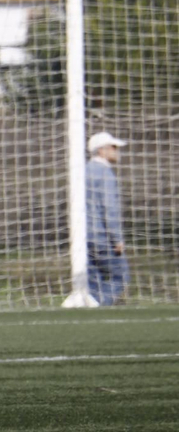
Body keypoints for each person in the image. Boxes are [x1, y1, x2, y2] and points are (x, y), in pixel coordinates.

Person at [86, 130, 129, 306]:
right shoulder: (105, 173)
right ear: (101, 150)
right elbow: (109, 208)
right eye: (113, 147)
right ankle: (98, 307)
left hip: (84, 236)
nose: (117, 151)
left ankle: (91, 308)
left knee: (94, 280)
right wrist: (117, 238)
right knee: (121, 276)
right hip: (102, 236)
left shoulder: (83, 171)